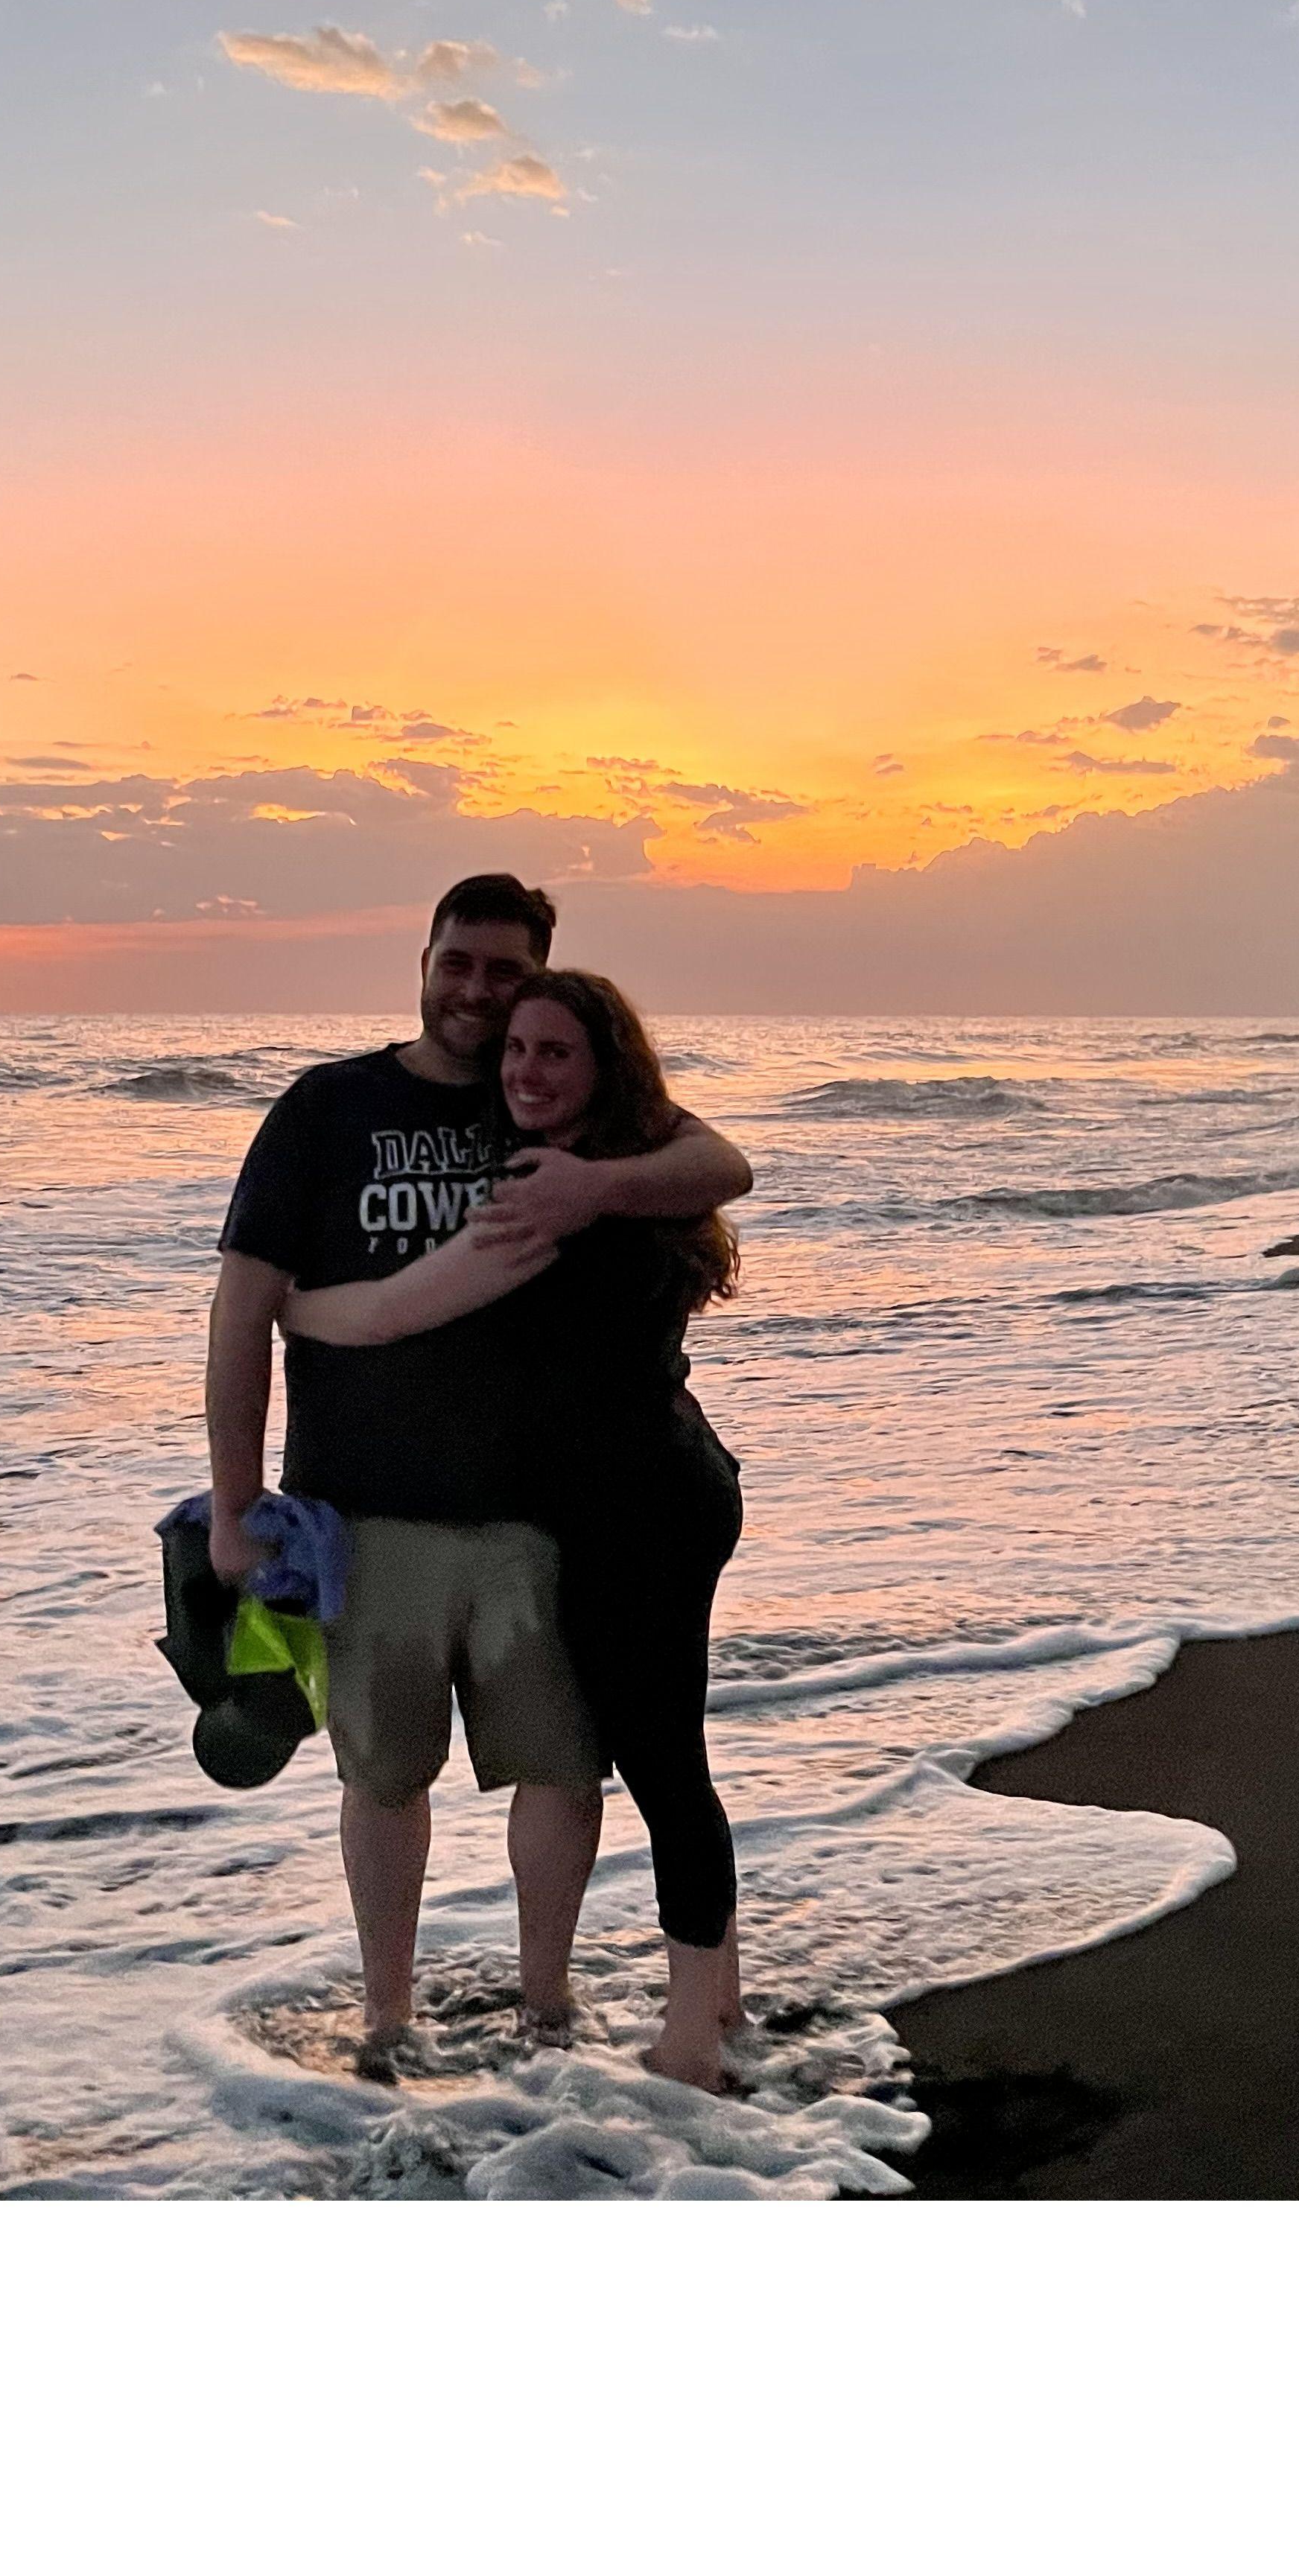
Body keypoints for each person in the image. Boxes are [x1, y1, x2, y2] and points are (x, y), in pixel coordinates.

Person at [204, 875, 752, 2079]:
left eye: (503, 974)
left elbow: (717, 1158)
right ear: (424, 960)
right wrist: (234, 1502)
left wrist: (329, 1311)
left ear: (539, 984)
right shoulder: (327, 1106)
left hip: (542, 1521)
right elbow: (242, 1305)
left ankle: (549, 2008)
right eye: (457, 962)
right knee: (387, 1776)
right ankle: (388, 2017)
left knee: (565, 1769)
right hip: (372, 1513)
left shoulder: (558, 1123)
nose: (476, 993)